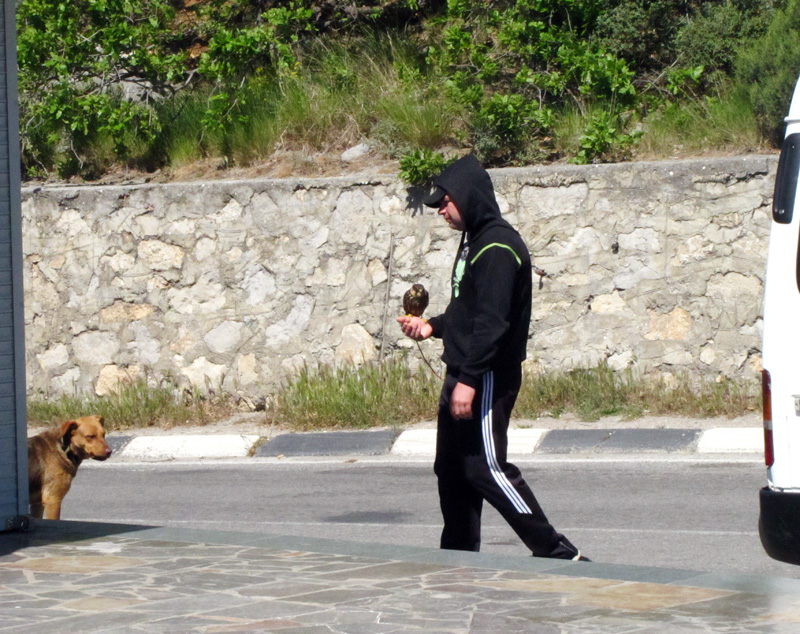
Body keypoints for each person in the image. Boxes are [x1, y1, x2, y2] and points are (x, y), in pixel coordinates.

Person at [397, 154, 588, 561]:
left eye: (445, 202)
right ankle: (458, 557)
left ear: (467, 196)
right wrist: (432, 326)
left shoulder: (498, 246)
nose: (441, 211)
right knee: (452, 470)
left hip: (485, 377)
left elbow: (492, 322)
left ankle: (556, 551)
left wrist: (469, 379)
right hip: (465, 371)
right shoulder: (475, 241)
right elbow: (467, 311)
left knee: (485, 469)